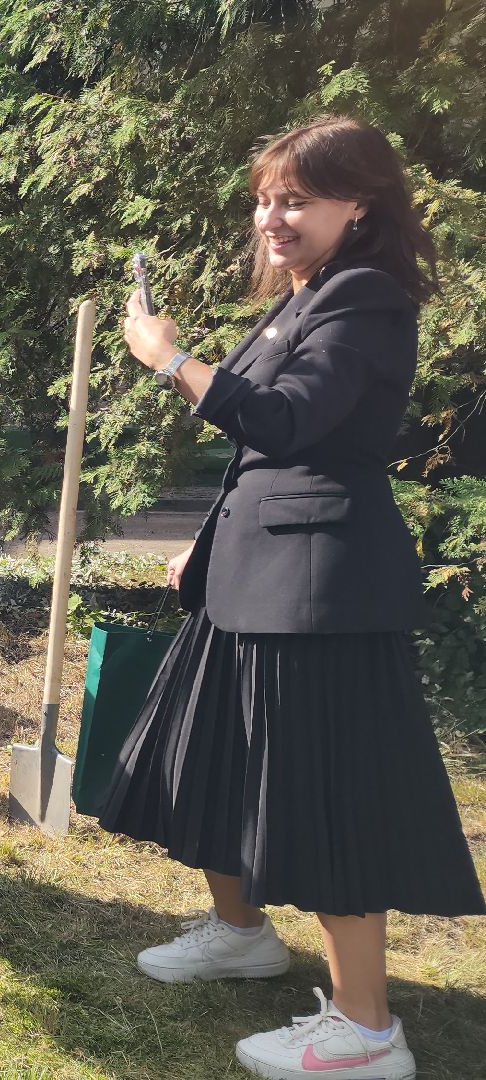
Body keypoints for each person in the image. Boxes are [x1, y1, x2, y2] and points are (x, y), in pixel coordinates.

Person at [102, 116, 483, 1080]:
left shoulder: (366, 296)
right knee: (215, 764)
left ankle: (366, 1027)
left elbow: (289, 419)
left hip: (320, 591)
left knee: (319, 796)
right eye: (267, 199)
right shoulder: (304, 299)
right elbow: (263, 449)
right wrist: (206, 537)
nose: (274, 217)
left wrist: (168, 359)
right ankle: (241, 933)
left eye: (297, 199)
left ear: (360, 205)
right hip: (249, 575)